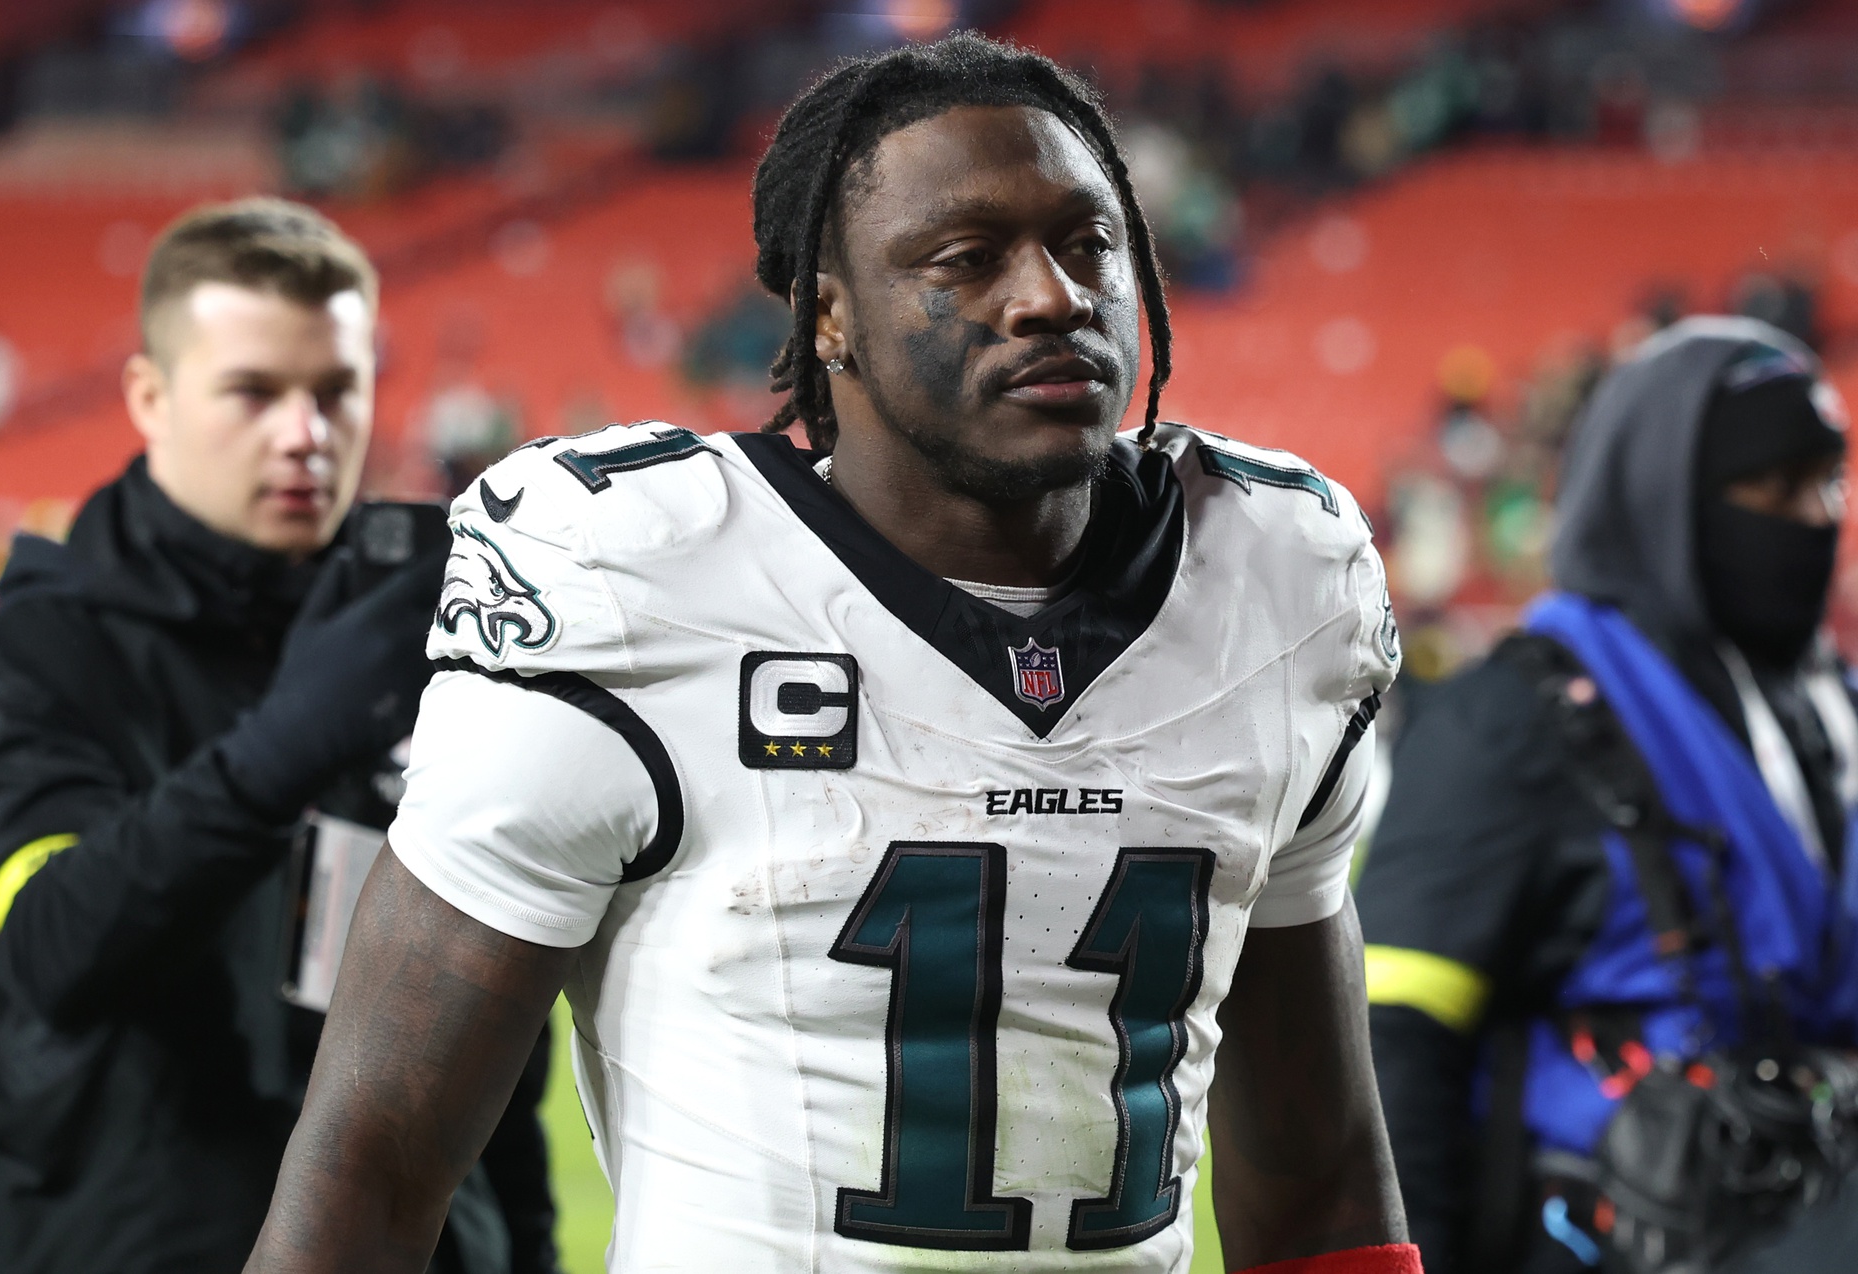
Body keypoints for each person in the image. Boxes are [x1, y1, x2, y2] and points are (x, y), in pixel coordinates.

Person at [248, 35, 1416, 1274]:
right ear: (829, 316)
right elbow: (373, 1167)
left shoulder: (1273, 575)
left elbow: (1323, 1182)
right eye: (966, 258)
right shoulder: (634, 577)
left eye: (1088, 244)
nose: (1050, 296)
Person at [0, 199, 555, 1273]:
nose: (305, 434)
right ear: (150, 396)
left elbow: (491, 1034)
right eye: (255, 392)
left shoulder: (441, 654)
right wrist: (284, 749)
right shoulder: (26, 668)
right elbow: (54, 949)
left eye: (336, 390)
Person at [1358, 316, 1858, 1274]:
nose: (1818, 517)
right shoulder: (1520, 717)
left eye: (1830, 482)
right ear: (1664, 498)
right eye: (1775, 488)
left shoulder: (1830, 714)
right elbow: (1391, 1048)